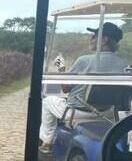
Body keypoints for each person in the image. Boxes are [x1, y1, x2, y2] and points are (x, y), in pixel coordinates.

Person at [39, 21, 128, 152]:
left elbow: (65, 88)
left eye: (94, 36)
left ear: (104, 40)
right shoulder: (123, 63)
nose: (91, 39)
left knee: (47, 101)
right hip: (107, 113)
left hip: (78, 112)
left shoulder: (84, 60)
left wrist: (61, 69)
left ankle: (47, 141)